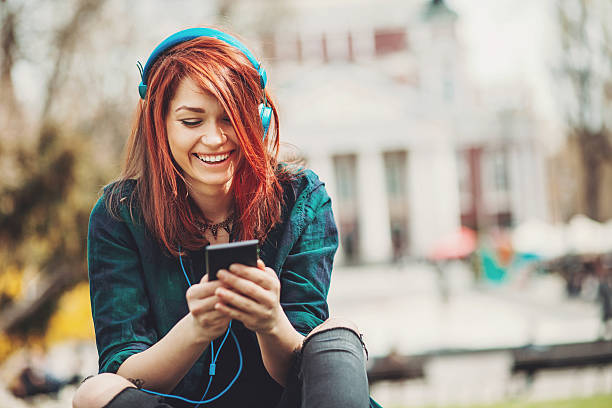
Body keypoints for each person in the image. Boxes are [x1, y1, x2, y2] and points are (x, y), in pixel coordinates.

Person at [72, 27, 377, 408]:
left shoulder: (301, 198)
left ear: (258, 119)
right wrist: (197, 329)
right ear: (160, 126)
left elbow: (306, 368)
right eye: (191, 121)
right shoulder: (120, 216)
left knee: (336, 336)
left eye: (229, 118)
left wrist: (270, 322)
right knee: (93, 392)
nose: (214, 139)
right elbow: (123, 370)